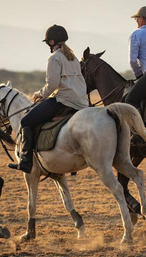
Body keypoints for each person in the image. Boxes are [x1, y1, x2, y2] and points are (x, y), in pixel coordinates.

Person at [8, 25, 88, 173]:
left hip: (64, 100)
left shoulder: (54, 58)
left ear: (51, 42)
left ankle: (25, 161)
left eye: (47, 43)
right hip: (81, 101)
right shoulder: (73, 57)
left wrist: (40, 94)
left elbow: (52, 85)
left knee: (26, 121)